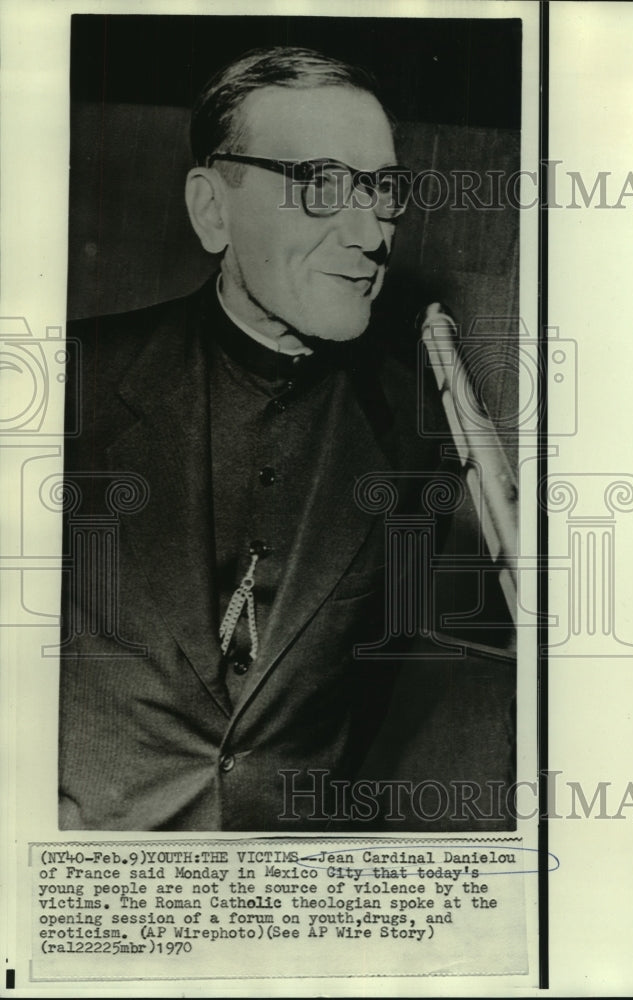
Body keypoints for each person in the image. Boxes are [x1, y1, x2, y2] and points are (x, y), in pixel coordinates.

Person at [58, 46, 448, 831]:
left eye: (382, 189)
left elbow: (373, 691)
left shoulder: (414, 436)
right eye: (321, 185)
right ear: (213, 209)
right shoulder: (65, 385)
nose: (370, 231)